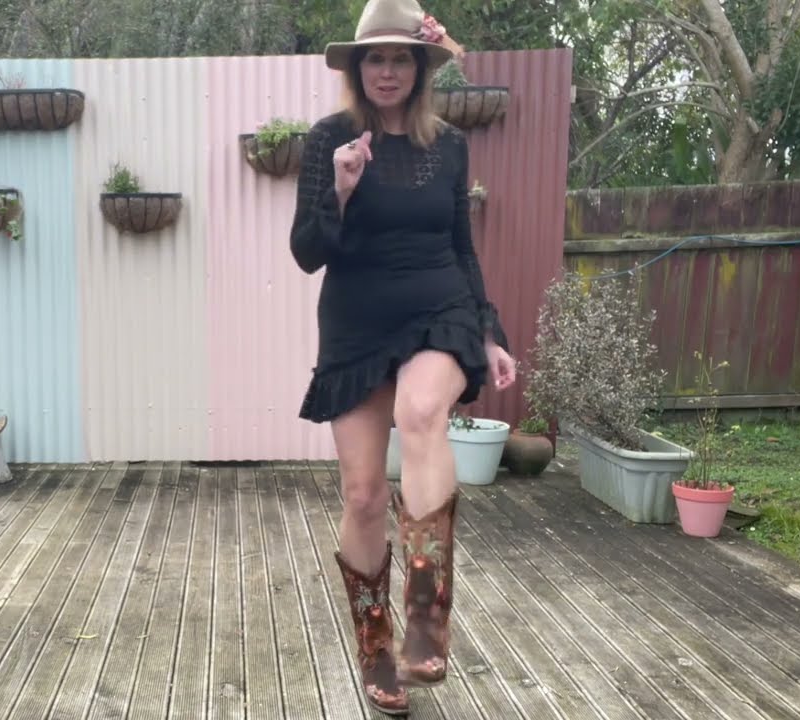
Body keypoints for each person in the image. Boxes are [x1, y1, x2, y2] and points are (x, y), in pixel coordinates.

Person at [290, 0, 516, 714]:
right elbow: (306, 253)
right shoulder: (329, 139)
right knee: (361, 495)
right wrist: (341, 190)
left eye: (400, 58)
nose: (387, 71)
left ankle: (425, 616)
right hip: (356, 323)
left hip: (437, 308)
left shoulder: (448, 146)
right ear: (358, 68)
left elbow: (461, 246)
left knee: (421, 413)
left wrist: (488, 330)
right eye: (375, 58)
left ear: (420, 68)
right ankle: (376, 645)